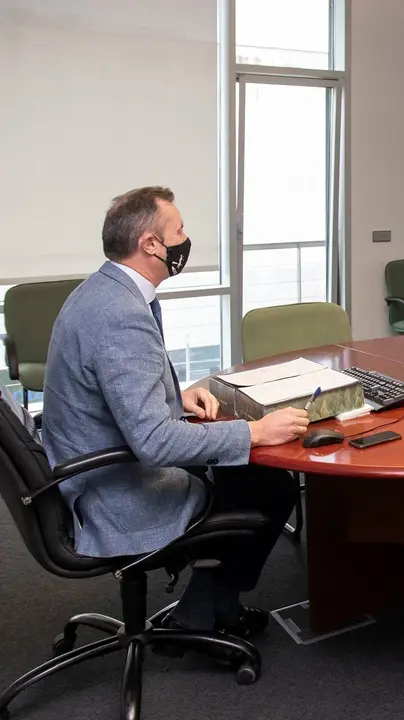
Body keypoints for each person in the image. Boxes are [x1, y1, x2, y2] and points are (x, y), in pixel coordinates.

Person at [42, 186, 309, 644]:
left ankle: (206, 605)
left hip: (83, 468)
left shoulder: (103, 290)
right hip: (113, 490)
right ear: (150, 244)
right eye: (179, 230)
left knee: (248, 477)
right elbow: (155, 444)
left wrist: (173, 396)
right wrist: (255, 431)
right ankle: (209, 611)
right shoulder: (120, 315)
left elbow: (113, 387)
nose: (186, 238)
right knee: (264, 488)